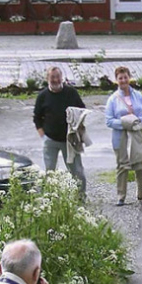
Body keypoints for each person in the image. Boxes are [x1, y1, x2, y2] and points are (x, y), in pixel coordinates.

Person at [33, 66, 87, 196]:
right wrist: (43, 137)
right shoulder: (43, 96)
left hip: (69, 140)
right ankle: (50, 197)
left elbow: (83, 111)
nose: (56, 80)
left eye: (58, 76)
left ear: (62, 77)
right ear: (47, 79)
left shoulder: (71, 93)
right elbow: (37, 118)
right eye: (52, 77)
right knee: (50, 171)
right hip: (50, 140)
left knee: (77, 171)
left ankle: (80, 196)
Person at [105, 66, 142, 206]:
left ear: (129, 77)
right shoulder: (113, 99)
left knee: (141, 163)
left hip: (138, 135)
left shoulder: (138, 95)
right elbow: (109, 120)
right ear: (116, 80)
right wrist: (126, 123)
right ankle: (121, 196)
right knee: (122, 165)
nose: (123, 80)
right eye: (120, 78)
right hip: (121, 137)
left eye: (125, 77)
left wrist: (136, 122)